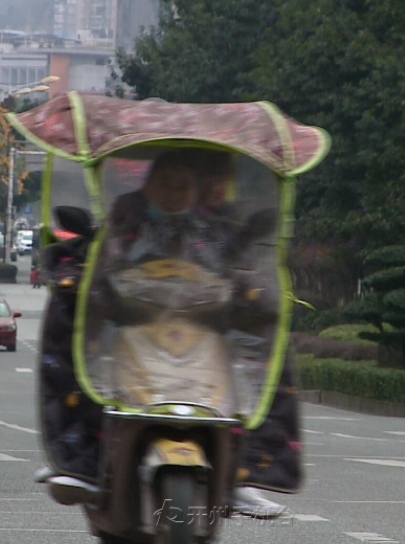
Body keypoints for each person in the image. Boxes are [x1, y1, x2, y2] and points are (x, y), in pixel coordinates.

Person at [37, 150, 298, 518]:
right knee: (69, 326)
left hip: (202, 332)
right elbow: (81, 259)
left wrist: (254, 291)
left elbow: (243, 268)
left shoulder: (218, 231)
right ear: (148, 185)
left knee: (267, 348)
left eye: (184, 186)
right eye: (165, 184)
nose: (174, 193)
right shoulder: (121, 225)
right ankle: (77, 458)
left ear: (196, 190)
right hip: (127, 329)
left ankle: (244, 474)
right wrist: (78, 280)